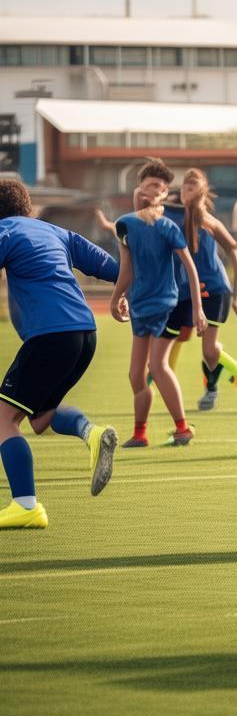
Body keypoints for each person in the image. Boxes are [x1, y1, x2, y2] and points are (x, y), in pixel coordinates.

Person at [0, 179, 120, 529]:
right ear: (27, 207)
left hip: (50, 336)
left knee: (3, 420)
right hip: (85, 334)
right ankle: (92, 433)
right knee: (40, 417)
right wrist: (125, 293)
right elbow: (112, 267)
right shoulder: (56, 232)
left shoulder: (5, 231)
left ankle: (25, 506)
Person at [109, 162, 207, 447]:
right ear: (139, 188)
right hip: (139, 305)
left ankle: (182, 427)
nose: (154, 191)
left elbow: (190, 268)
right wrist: (117, 297)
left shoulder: (167, 226)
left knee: (158, 365)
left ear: (165, 195)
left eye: (160, 188)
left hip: (166, 304)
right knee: (135, 374)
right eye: (150, 184)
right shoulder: (125, 225)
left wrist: (198, 309)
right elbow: (126, 268)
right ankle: (140, 434)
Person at [161, 169, 237, 411]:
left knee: (208, 349)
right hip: (188, 291)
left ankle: (213, 389)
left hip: (215, 290)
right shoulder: (172, 217)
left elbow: (234, 250)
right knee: (188, 341)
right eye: (184, 187)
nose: (186, 192)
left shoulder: (209, 222)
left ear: (202, 192)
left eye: (192, 188)